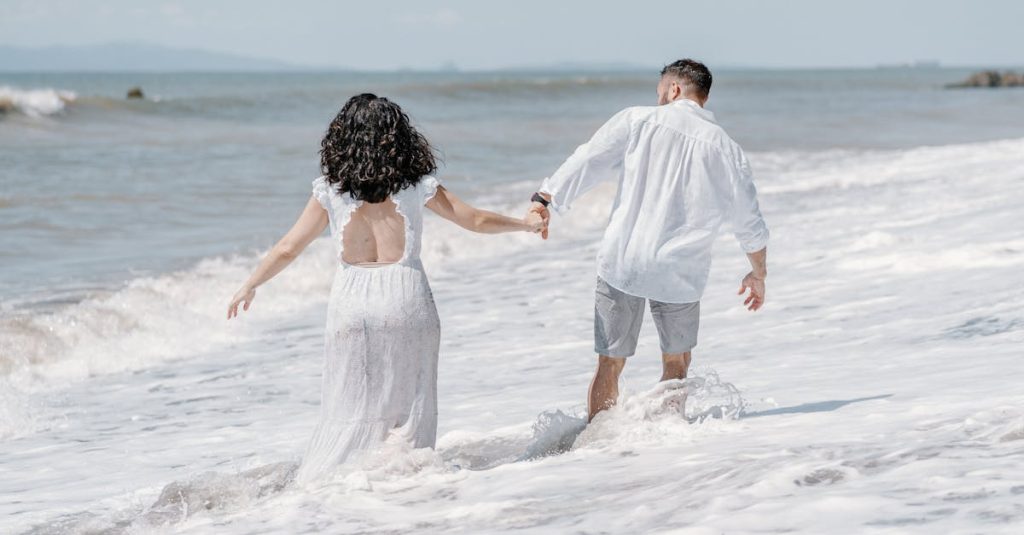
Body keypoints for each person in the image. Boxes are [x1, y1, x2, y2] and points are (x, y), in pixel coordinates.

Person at [226, 93, 546, 486]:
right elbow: (476, 220)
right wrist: (525, 223)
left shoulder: (330, 190)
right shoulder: (419, 187)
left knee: (351, 403)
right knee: (410, 403)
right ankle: (405, 487)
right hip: (405, 299)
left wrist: (251, 283)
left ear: (343, 138)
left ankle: (335, 489)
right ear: (399, 138)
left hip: (351, 304)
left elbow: (289, 247)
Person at [525, 59, 770, 422]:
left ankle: (597, 444)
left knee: (610, 361)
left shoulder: (637, 120)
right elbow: (748, 219)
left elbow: (588, 159)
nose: (657, 99)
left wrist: (545, 199)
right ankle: (667, 436)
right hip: (681, 270)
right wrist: (758, 273)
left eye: (660, 93)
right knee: (677, 360)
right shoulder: (727, 148)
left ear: (674, 89)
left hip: (625, 258)